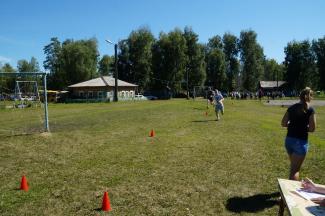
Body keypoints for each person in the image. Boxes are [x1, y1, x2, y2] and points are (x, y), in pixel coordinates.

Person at [281, 87, 316, 181]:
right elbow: (312, 129)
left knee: (293, 167)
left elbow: (283, 123)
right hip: (300, 142)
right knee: (295, 170)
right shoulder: (311, 110)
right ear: (310, 97)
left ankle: (288, 190)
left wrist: (293, 126)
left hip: (289, 141)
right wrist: (303, 127)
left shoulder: (291, 107)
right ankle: (289, 194)